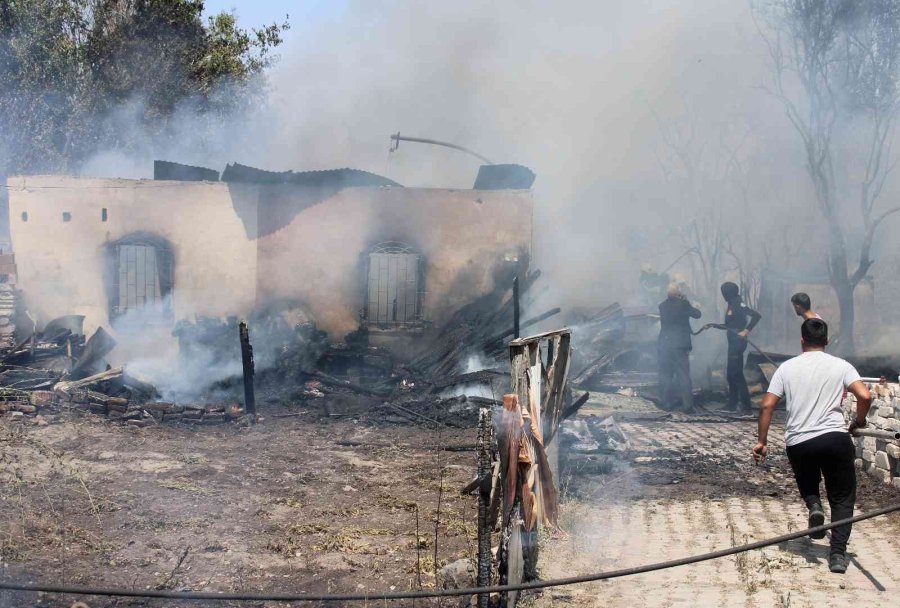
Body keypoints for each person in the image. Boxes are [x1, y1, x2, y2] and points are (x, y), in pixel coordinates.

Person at [753, 318, 871, 574]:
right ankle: (838, 555)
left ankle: (814, 505)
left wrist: (761, 441)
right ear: (827, 341)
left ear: (802, 340)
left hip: (799, 441)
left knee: (807, 480)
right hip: (835, 439)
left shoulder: (786, 368)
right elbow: (865, 395)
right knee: (841, 498)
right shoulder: (842, 366)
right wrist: (859, 421)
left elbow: (766, 405)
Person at [657, 282, 701, 412]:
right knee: (683, 376)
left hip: (665, 345)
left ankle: (666, 404)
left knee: (666, 375)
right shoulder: (683, 304)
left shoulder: (662, 306)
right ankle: (687, 406)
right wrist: (686, 299)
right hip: (680, 346)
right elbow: (697, 314)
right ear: (678, 293)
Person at [720, 282, 761, 413]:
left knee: (736, 374)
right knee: (731, 374)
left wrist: (746, 330)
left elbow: (756, 316)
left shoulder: (738, 303)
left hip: (738, 343)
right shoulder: (732, 303)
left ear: (727, 292)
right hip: (732, 342)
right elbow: (731, 323)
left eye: (724, 292)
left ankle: (747, 409)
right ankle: (732, 405)